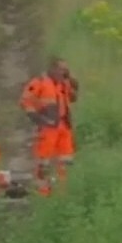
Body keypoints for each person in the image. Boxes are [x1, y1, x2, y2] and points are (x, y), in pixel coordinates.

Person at [20, 57, 79, 195]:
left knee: (65, 160)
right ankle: (43, 192)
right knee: (43, 161)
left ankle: (62, 191)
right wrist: (38, 119)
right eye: (60, 69)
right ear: (52, 69)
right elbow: (25, 101)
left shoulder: (64, 83)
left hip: (64, 126)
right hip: (47, 128)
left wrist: (71, 80)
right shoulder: (39, 82)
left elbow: (73, 98)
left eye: (65, 69)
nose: (63, 72)